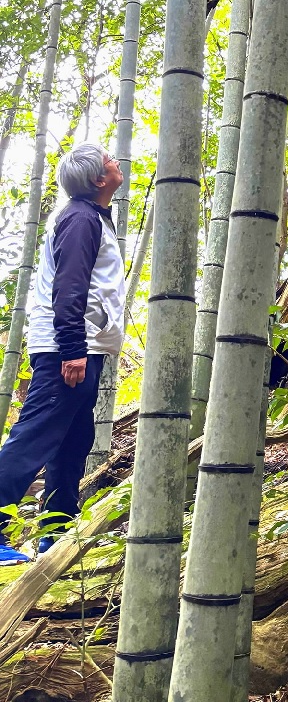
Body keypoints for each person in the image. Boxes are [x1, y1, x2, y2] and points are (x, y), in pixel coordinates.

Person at [0, 143, 125, 564]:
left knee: (72, 442)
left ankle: (56, 532)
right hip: (67, 349)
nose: (116, 162)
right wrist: (73, 350)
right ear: (97, 179)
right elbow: (68, 289)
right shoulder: (80, 219)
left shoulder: (92, 218)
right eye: (109, 159)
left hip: (82, 347)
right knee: (34, 437)